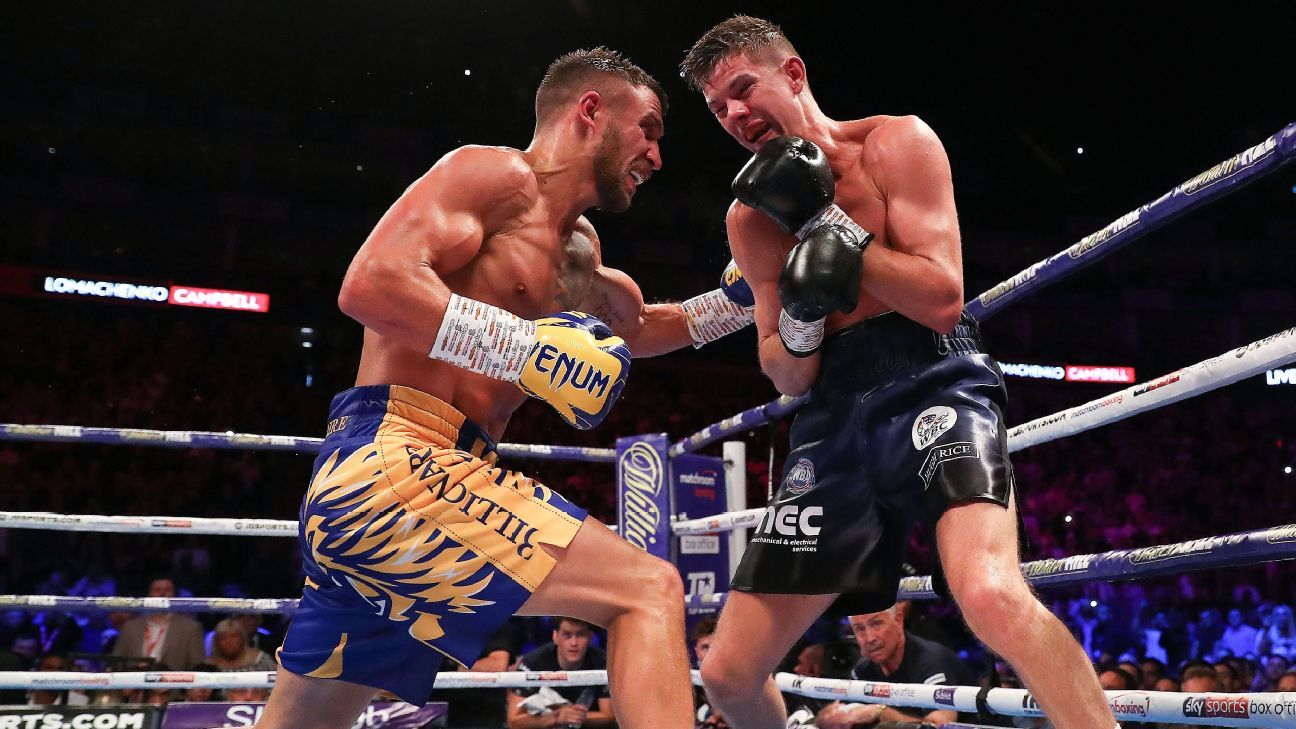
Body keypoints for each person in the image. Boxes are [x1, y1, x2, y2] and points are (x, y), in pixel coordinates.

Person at [259, 47, 749, 729]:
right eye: (649, 129)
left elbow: (639, 329)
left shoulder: (577, 253)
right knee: (647, 589)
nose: (657, 156)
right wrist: (522, 348)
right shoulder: (493, 174)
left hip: (413, 491)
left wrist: (748, 300)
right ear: (590, 111)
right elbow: (370, 284)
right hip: (395, 461)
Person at [679, 15, 1117, 729]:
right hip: (833, 411)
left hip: (934, 376)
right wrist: (802, 317)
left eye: (743, 88)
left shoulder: (896, 143)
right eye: (717, 108)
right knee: (727, 673)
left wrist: (826, 224)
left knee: (991, 596)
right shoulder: (749, 221)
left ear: (793, 73)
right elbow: (785, 373)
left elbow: (942, 300)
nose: (733, 113)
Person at [814, 609, 972, 728]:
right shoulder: (863, 668)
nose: (870, 638)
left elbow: (939, 726)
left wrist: (880, 712)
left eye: (877, 624)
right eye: (859, 629)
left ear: (898, 620)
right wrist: (832, 717)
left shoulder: (930, 663)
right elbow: (830, 715)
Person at [507, 618, 614, 729]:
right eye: (567, 635)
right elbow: (514, 721)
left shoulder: (604, 662)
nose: (573, 643)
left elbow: (609, 716)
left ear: (590, 637)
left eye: (580, 635)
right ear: (555, 636)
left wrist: (571, 716)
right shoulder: (532, 663)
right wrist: (556, 717)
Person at [111, 577, 205, 670]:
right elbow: (116, 662)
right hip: (134, 678)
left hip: (173, 679)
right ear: (149, 595)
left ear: (175, 595)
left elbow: (196, 666)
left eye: (167, 590)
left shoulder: (191, 628)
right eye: (157, 590)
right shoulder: (130, 627)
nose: (162, 594)